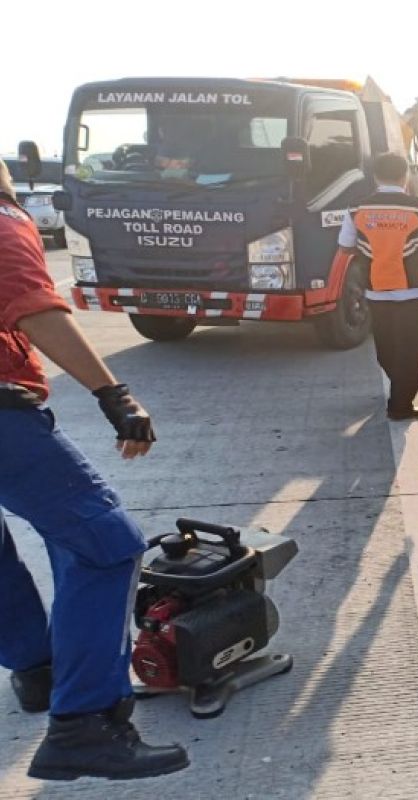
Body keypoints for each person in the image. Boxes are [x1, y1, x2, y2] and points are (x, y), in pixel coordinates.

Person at [0, 160, 188, 780]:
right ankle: (85, 723)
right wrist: (115, 396)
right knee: (104, 545)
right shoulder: (3, 220)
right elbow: (34, 307)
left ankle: (38, 670)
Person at [338, 152, 418, 421]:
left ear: (375, 177)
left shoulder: (356, 209)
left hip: (376, 290)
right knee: (412, 348)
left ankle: (399, 388)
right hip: (413, 292)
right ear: (405, 176)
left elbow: (345, 247)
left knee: (387, 346)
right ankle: (400, 404)